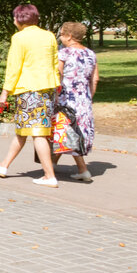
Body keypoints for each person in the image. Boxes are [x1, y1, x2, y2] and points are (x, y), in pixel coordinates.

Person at [0, 3, 60, 187]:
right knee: (23, 131)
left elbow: (14, 67)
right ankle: (4, 165)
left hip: (28, 90)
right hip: (46, 89)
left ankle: (49, 176)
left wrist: (5, 92)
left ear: (19, 18)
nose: (13, 20)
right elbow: (54, 64)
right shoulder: (49, 36)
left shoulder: (19, 38)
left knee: (38, 134)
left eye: (14, 17)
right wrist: (55, 88)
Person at [55, 21, 99, 182]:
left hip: (67, 99)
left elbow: (58, 75)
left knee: (67, 131)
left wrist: (55, 96)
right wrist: (89, 97)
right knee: (73, 131)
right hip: (84, 99)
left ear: (69, 36)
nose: (60, 37)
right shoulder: (90, 54)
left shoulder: (64, 53)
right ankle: (52, 163)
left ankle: (83, 169)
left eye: (61, 34)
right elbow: (95, 79)